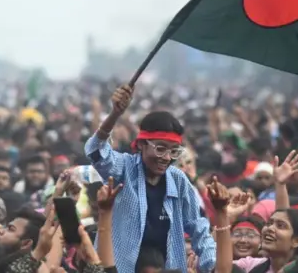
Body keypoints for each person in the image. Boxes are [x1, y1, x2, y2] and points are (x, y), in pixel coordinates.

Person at [83, 84, 216, 272]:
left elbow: (199, 227)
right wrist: (114, 114)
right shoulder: (124, 168)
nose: (167, 158)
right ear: (141, 145)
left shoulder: (178, 180)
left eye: (173, 151)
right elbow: (96, 151)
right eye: (160, 149)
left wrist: (216, 265)